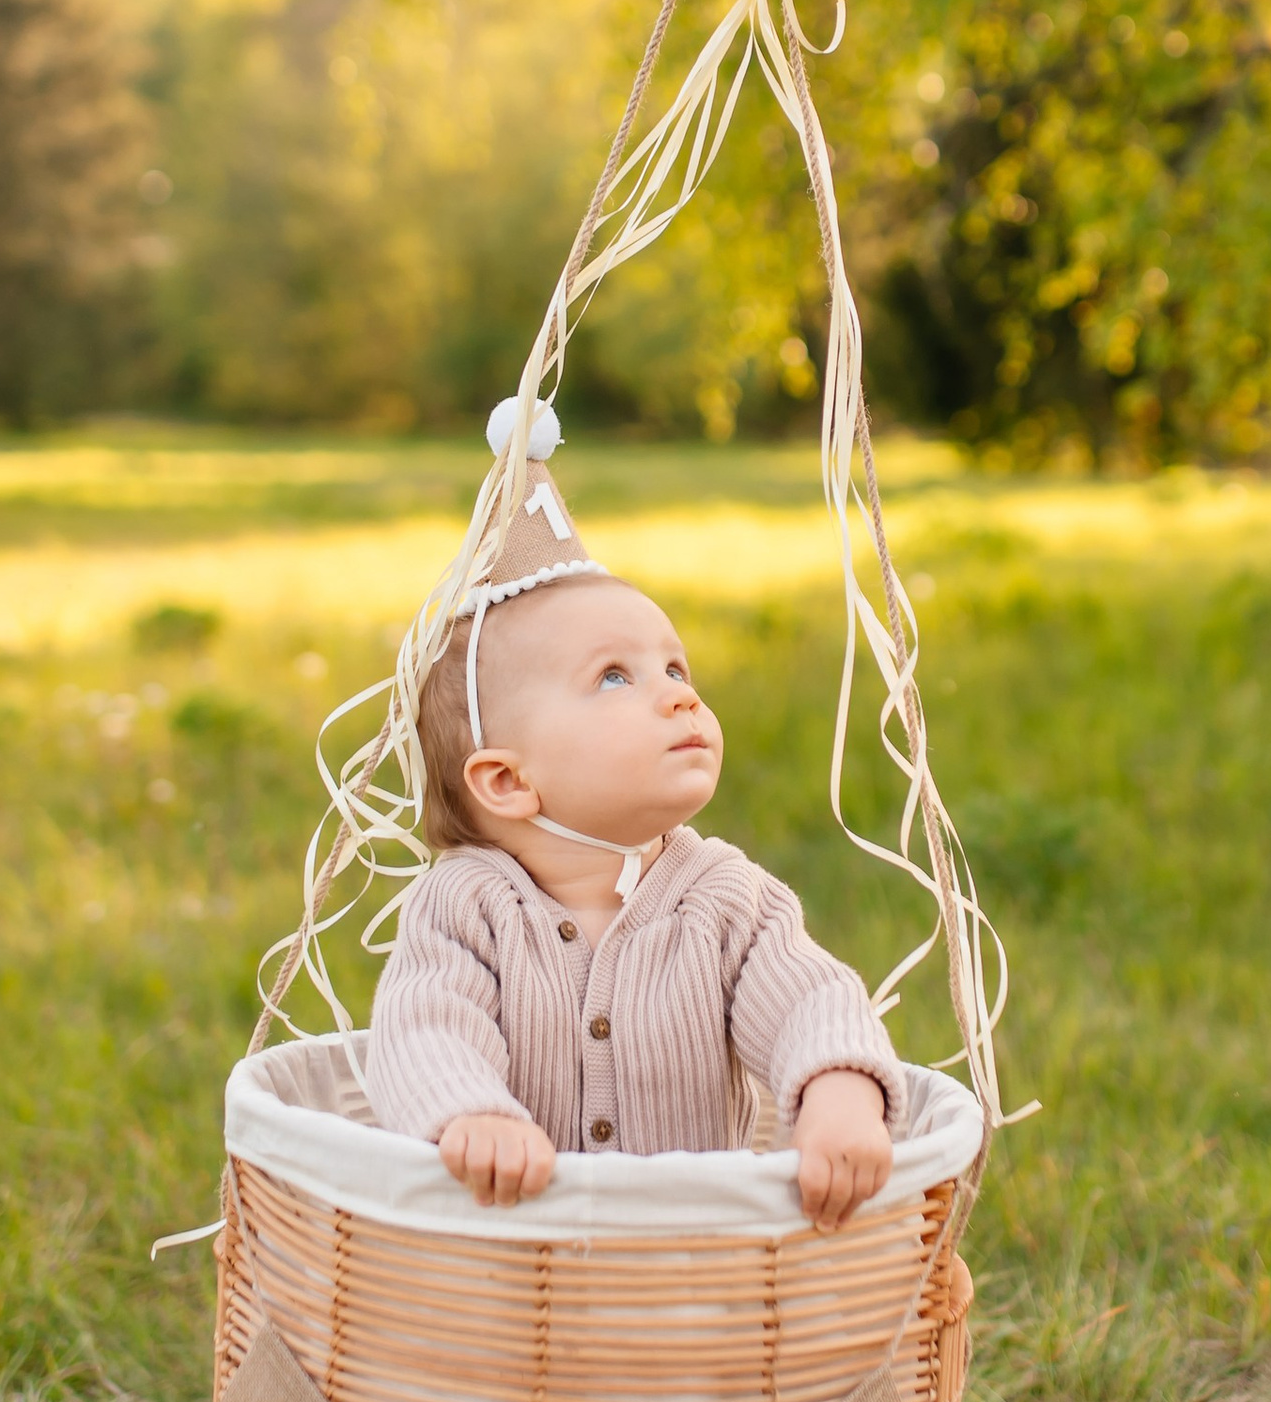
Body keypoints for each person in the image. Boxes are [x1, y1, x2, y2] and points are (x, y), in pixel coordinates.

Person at [366, 458, 901, 1231]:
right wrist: (473, 1115)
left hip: (685, 1262)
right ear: (509, 782)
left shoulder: (723, 896)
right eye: (616, 678)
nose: (680, 692)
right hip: (516, 1250)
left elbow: (806, 999)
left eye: (675, 666)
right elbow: (425, 1023)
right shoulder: (465, 905)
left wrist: (839, 1093)